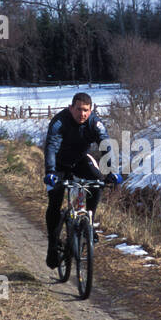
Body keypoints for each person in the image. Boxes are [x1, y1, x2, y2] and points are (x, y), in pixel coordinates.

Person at [43, 92, 122, 268]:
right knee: (55, 203)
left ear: (91, 109)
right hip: (58, 165)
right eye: (78, 109)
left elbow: (106, 145)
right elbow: (51, 147)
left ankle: (89, 222)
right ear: (71, 108)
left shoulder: (95, 123)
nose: (82, 114)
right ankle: (52, 245)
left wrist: (112, 171)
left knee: (97, 180)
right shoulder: (59, 121)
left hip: (79, 160)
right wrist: (50, 171)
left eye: (86, 110)